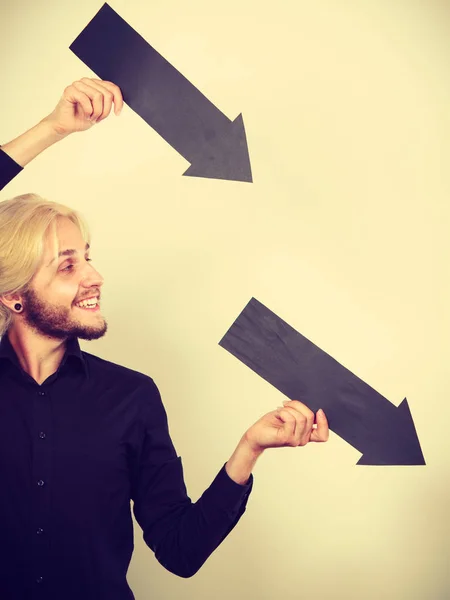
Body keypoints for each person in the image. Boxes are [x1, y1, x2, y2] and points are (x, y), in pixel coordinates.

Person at [0, 78, 329, 600]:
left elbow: (180, 551)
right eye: (68, 266)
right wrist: (53, 129)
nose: (94, 277)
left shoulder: (131, 398)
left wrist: (249, 450)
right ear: (13, 295)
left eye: (88, 256)